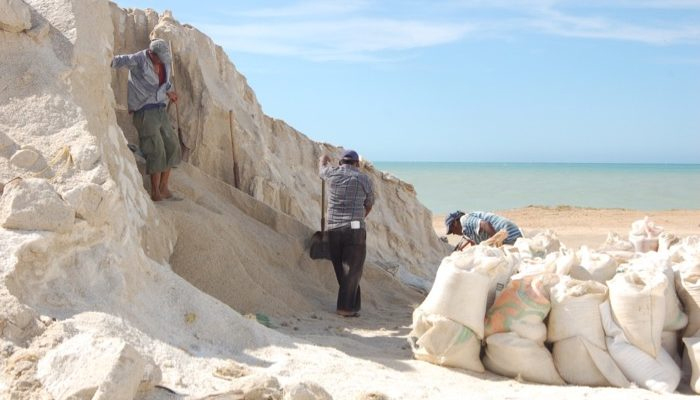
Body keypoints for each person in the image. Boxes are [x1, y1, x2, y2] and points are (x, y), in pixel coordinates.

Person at [112, 39, 181, 201]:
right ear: (151, 53)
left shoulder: (166, 62)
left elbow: (166, 83)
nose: (162, 61)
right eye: (159, 58)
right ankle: (155, 192)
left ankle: (164, 188)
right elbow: (116, 60)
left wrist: (171, 91)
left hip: (160, 108)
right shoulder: (138, 59)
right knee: (155, 149)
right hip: (143, 110)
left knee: (172, 146)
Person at [319, 150, 374, 317]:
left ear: (341, 163)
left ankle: (352, 306)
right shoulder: (364, 179)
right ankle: (346, 308)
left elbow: (321, 170)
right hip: (355, 227)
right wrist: (359, 218)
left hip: (333, 227)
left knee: (342, 269)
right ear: (357, 164)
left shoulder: (332, 173)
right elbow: (369, 203)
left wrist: (323, 159)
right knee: (353, 269)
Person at [445, 211, 522, 249]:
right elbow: (474, 244)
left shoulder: (464, 220)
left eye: (452, 230)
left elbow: (485, 224)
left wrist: (498, 245)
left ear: (455, 222)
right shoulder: (467, 231)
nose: (454, 234)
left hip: (510, 234)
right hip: (510, 235)